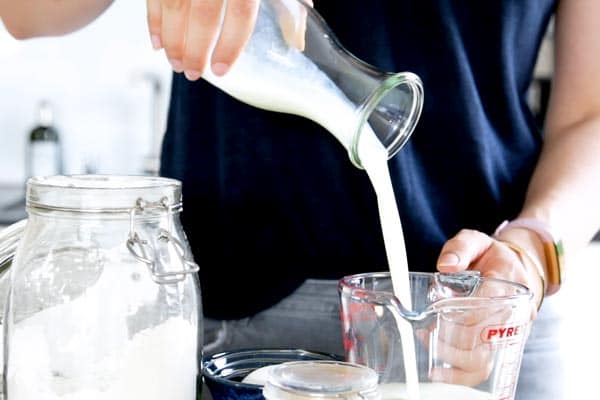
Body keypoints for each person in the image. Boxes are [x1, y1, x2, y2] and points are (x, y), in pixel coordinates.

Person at [3, 1, 600, 398]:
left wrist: (532, 245)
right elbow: (26, 13)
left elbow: (592, 111)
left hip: (489, 322)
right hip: (245, 331)